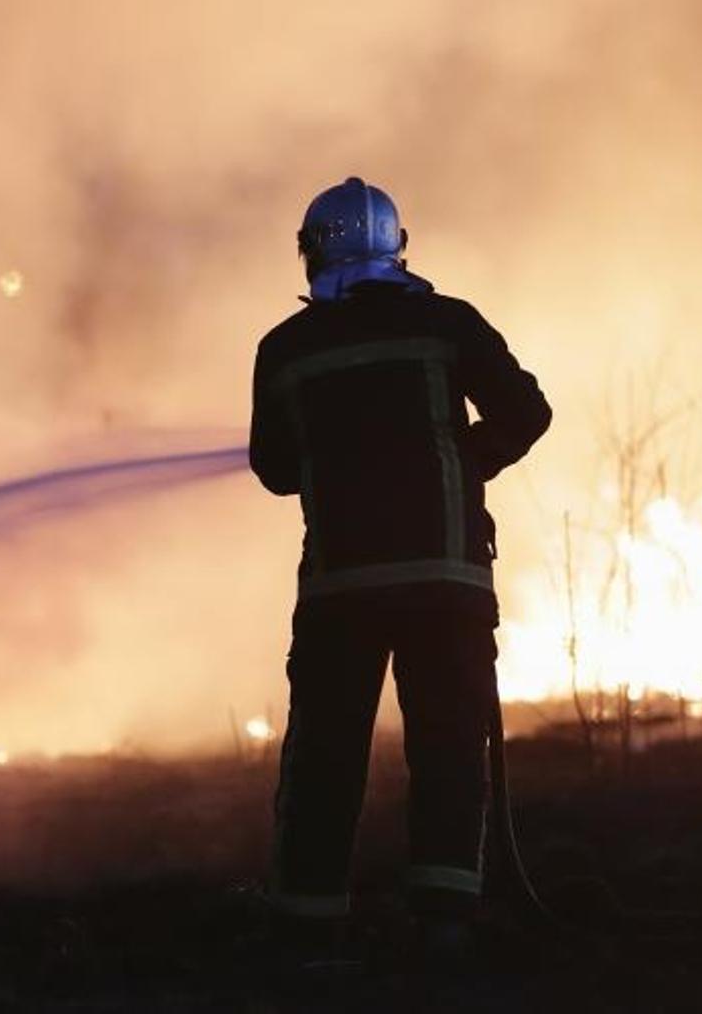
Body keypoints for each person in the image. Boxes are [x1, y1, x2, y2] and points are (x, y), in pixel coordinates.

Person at [249, 177, 551, 966]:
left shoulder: (285, 349)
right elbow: (527, 413)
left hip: (340, 589)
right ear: (398, 247)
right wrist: (465, 459)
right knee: (449, 749)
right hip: (445, 582)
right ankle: (445, 928)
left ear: (312, 253)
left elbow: (273, 469)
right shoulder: (449, 324)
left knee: (325, 756)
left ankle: (307, 930)